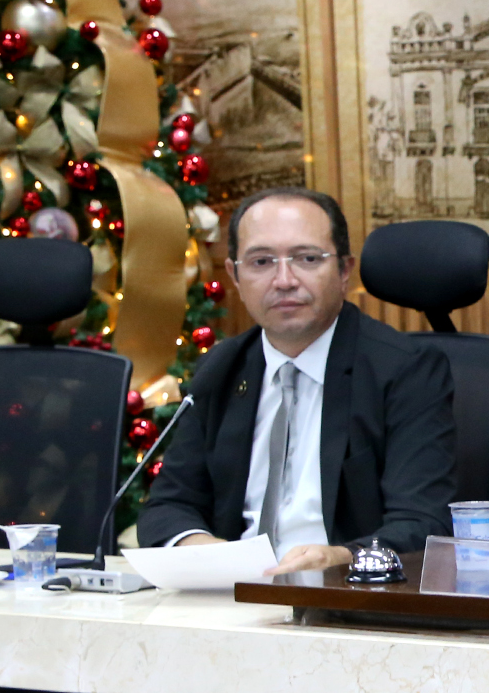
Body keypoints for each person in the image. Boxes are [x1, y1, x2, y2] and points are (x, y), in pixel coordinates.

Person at [138, 188, 456, 572]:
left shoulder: (404, 371)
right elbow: (167, 506)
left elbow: (423, 523)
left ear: (344, 271)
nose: (284, 280)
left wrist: (343, 558)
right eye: (261, 262)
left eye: (307, 259)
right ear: (234, 276)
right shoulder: (221, 368)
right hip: (232, 590)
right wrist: (206, 550)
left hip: (346, 591)